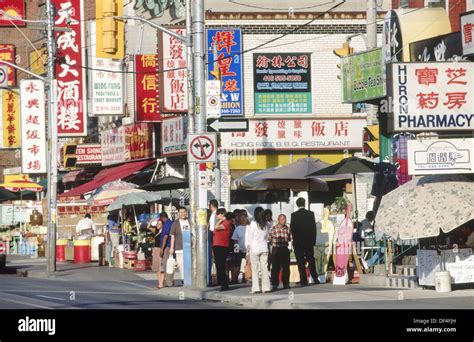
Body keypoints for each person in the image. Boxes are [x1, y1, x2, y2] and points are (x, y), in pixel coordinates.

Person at [290, 197, 320, 286]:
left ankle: (303, 280)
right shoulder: (310, 214)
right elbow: (313, 228)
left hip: (298, 242)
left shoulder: (294, 215)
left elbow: (292, 229)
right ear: (305, 203)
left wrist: (294, 239)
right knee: (311, 260)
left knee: (300, 261)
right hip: (308, 242)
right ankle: (315, 278)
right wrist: (313, 241)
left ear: (297, 204)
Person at [245, 207, 271, 294]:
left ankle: (256, 288)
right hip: (264, 248)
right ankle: (266, 287)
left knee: (255, 269)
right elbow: (267, 237)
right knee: (264, 268)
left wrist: (248, 249)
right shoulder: (266, 225)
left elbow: (249, 237)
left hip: (255, 248)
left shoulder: (253, 224)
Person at [268, 214, 291, 291]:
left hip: (284, 248)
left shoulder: (287, 228)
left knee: (286, 267)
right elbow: (269, 238)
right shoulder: (274, 228)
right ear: (278, 220)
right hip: (276, 249)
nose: (284, 221)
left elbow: (290, 238)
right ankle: (274, 284)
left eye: (285, 219)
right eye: (282, 219)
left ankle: (286, 283)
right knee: (275, 267)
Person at [170, 207, 190, 286]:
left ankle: (189, 278)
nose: (183, 214)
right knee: (181, 264)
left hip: (189, 247)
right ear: (178, 213)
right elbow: (172, 236)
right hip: (179, 247)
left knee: (189, 264)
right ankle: (183, 279)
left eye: (184, 212)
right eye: (181, 212)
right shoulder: (175, 223)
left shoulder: (189, 221)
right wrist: (172, 248)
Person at [213, 208, 232, 291]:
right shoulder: (223, 223)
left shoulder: (226, 223)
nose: (217, 215)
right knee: (218, 266)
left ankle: (224, 284)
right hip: (217, 246)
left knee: (221, 266)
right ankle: (221, 283)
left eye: (218, 214)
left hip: (222, 246)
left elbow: (216, 227)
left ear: (222, 215)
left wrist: (221, 220)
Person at [231, 213, 249, 283]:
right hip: (240, 250)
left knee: (246, 264)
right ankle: (234, 278)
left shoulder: (249, 227)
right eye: (242, 219)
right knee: (237, 264)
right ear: (240, 220)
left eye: (245, 218)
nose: (244, 220)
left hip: (248, 250)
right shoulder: (237, 229)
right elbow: (235, 240)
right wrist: (236, 250)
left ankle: (245, 277)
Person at [159, 212, 173, 287]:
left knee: (166, 264)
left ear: (162, 217)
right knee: (169, 264)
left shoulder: (167, 224)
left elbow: (165, 237)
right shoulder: (170, 223)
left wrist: (162, 249)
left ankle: (169, 282)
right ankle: (170, 281)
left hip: (167, 247)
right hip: (169, 246)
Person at [151, 220, 163, 289]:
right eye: (157, 224)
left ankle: (161, 283)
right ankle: (159, 282)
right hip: (155, 250)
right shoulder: (157, 232)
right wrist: (152, 220)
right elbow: (148, 226)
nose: (158, 225)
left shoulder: (163, 233)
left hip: (159, 249)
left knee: (160, 267)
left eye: (159, 224)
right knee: (156, 268)